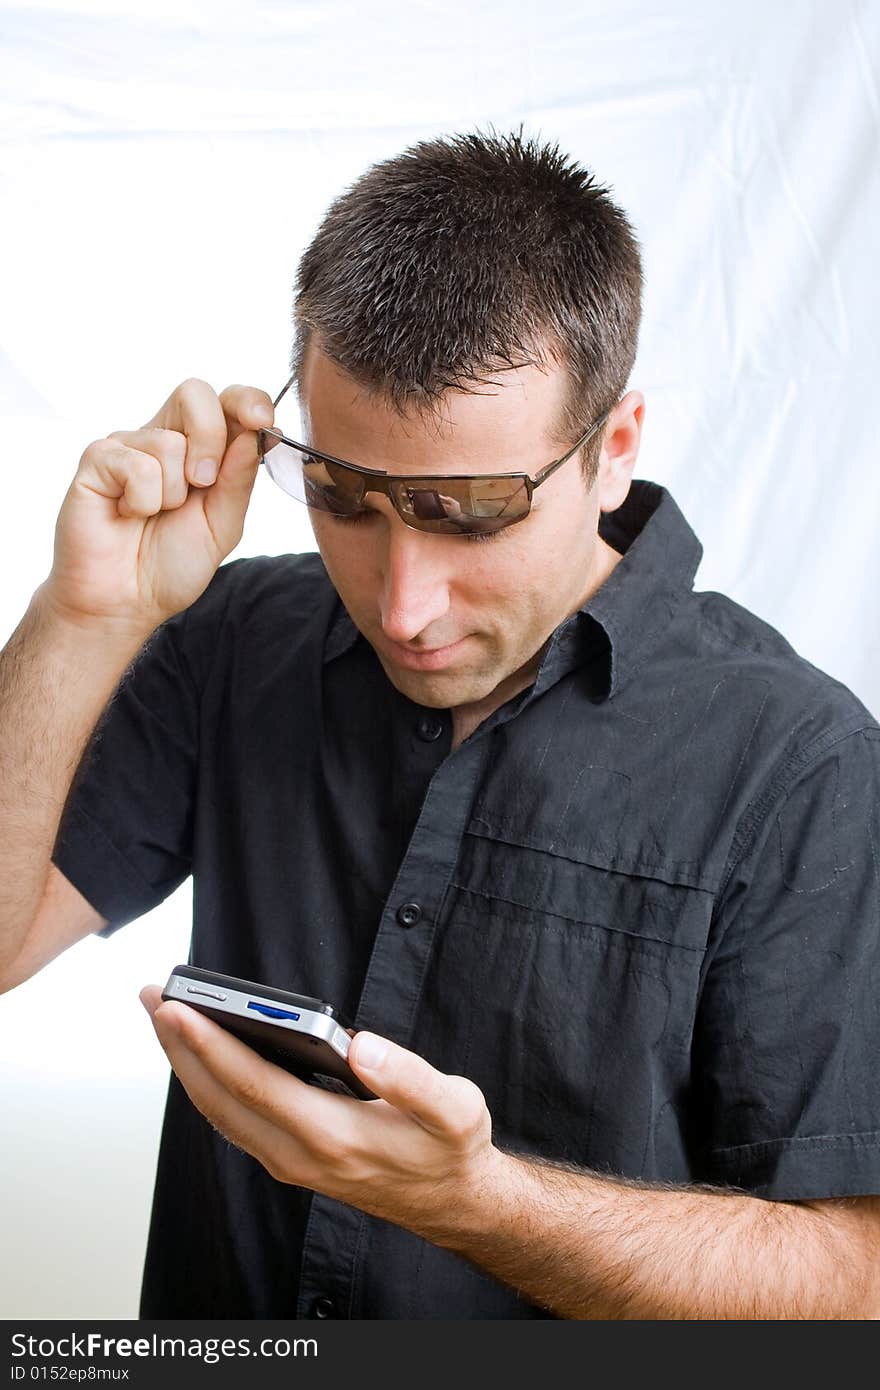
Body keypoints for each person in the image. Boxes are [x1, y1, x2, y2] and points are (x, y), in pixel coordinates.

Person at [1, 130, 878, 1321]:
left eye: (467, 515)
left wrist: (482, 1203)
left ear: (613, 448)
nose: (402, 605)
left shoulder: (800, 764)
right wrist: (80, 616)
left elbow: (855, 1282)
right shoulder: (233, 639)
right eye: (343, 499)